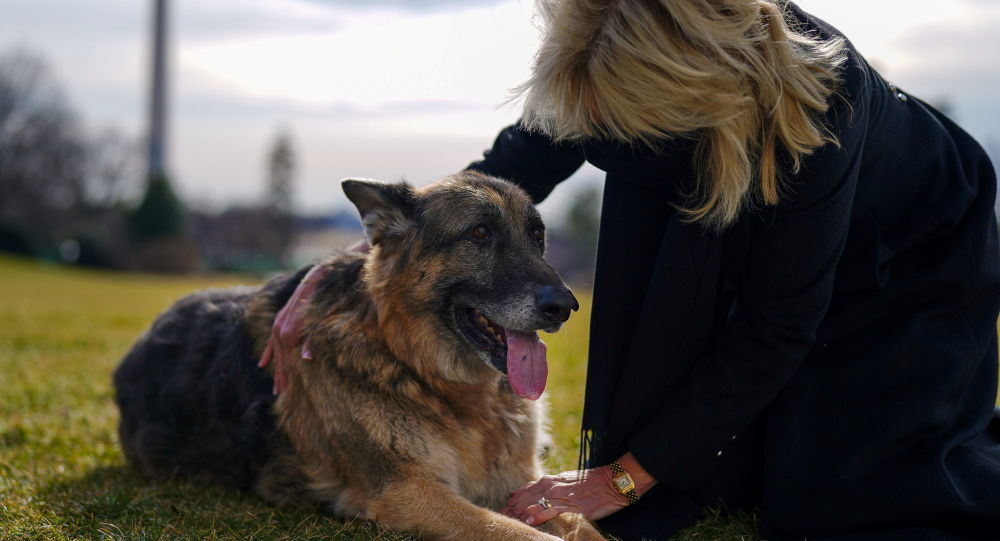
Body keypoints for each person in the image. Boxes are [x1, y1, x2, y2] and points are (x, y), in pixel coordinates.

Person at [262, 1, 1000, 539]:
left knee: (851, 497)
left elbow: (778, 323)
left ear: (686, 98)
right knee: (721, 477)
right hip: (762, 204)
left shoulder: (819, 109)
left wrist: (620, 478)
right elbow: (501, 171)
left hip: (912, 244)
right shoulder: (601, 41)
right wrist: (357, 263)